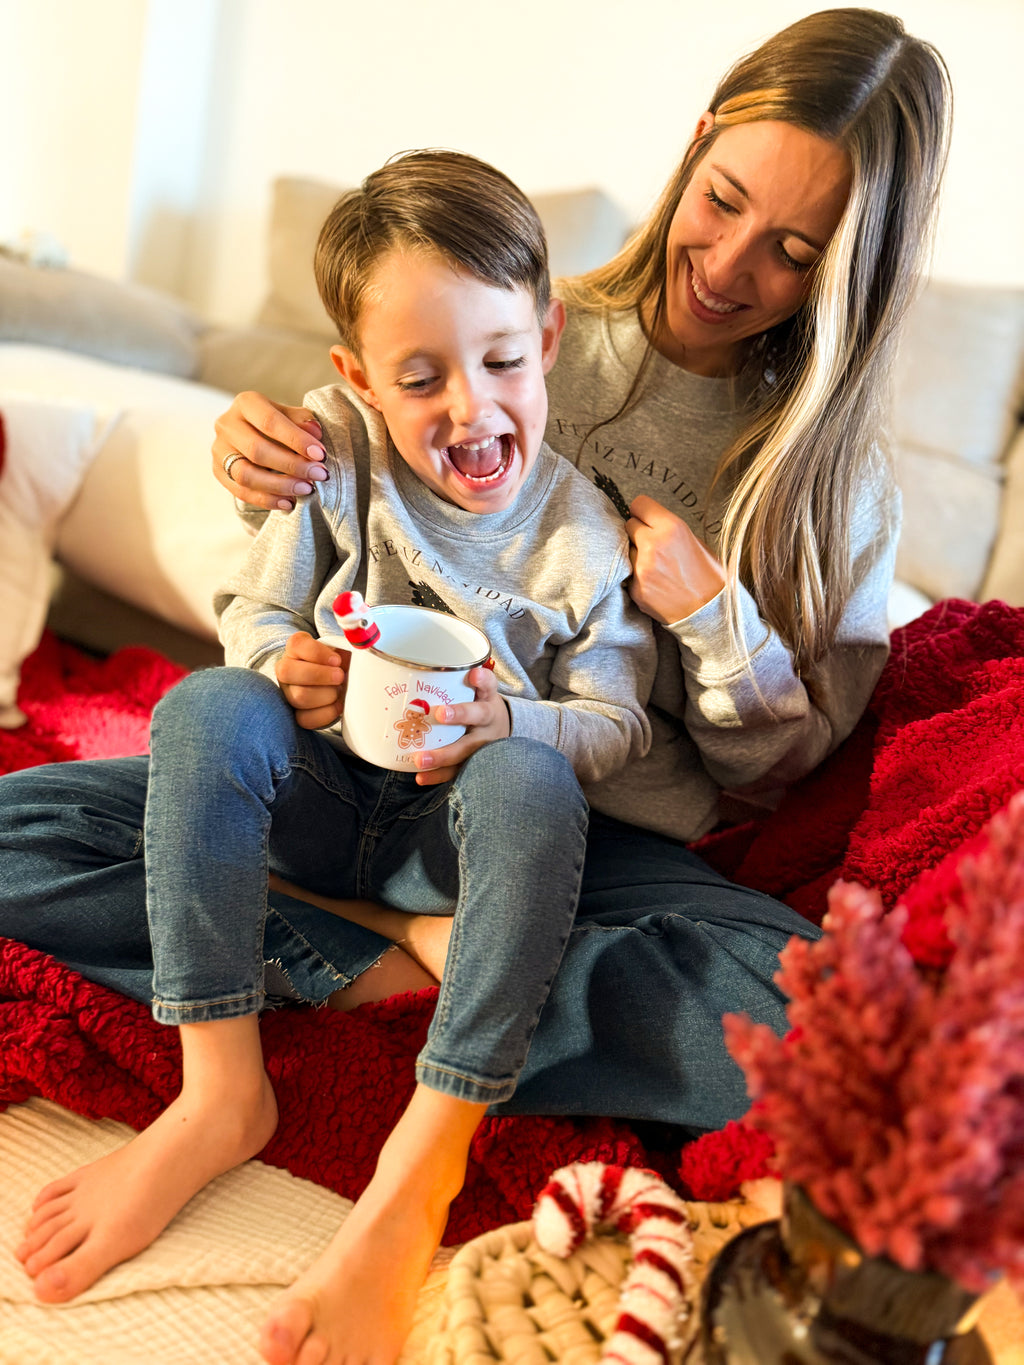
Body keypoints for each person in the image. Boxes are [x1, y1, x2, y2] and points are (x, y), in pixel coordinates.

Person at [1, 8, 952, 1364]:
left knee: (820, 1034)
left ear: (850, 271)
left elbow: (770, 777)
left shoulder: (829, 484)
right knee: (36, 827)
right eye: (724, 200)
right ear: (695, 149)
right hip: (355, 795)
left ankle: (417, 1018)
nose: (729, 265)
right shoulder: (509, 316)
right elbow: (310, 520)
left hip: (585, 822)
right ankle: (400, 965)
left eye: (792, 251)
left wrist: (717, 621)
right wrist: (257, 447)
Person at [3, 148, 658, 1340]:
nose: (471, 409)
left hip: (451, 839)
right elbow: (251, 610)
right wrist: (275, 661)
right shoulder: (330, 449)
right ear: (357, 377)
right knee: (196, 713)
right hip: (312, 801)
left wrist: (510, 720)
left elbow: (615, 725)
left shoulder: (583, 538)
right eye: (419, 378)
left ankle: (429, 1130)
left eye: (503, 361)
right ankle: (226, 1083)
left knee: (529, 782)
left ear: (548, 339)